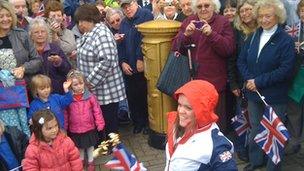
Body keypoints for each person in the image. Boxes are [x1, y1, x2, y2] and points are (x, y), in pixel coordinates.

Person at [237, 0, 295, 170]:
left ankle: (273, 166)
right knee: (255, 127)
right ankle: (256, 161)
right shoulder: (255, 35)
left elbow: (285, 70)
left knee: (274, 131)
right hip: (254, 94)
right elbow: (242, 60)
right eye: (261, 16)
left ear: (277, 17)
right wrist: (249, 80)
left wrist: (258, 82)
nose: (263, 20)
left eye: (268, 16)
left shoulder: (285, 40)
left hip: (275, 95)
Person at [172, 0, 235, 133]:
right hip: (193, 84)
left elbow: (228, 49)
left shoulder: (222, 22)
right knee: (195, 122)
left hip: (215, 84)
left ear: (214, 7)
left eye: (207, 6)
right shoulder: (189, 21)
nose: (203, 9)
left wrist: (211, 34)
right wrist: (186, 35)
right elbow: (176, 47)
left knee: (216, 123)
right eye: (199, 6)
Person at [74, 4, 126, 136]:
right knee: (101, 119)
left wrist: (89, 82)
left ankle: (112, 148)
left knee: (109, 121)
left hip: (106, 90)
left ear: (90, 19)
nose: (80, 24)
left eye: (82, 21)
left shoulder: (101, 33)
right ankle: (105, 145)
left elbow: (107, 61)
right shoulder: (91, 32)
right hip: (98, 89)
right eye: (78, 21)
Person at [165, 80, 237, 170]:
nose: (180, 111)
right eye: (179, 104)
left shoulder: (216, 145)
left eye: (188, 108)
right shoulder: (177, 126)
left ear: (202, 111)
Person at [0, 1, 41, 137]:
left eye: (8, 15)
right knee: (8, 134)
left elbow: (37, 60)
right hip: (2, 97)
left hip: (23, 92)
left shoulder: (21, 35)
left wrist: (24, 68)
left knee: (27, 129)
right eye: (1, 16)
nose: (5, 19)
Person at [227, 0, 257, 162]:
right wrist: (233, 83)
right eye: (242, 11)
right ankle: (240, 148)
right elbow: (231, 59)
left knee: (257, 119)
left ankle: (256, 149)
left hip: (259, 83)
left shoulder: (262, 29)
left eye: (248, 10)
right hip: (241, 82)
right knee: (241, 117)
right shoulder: (236, 31)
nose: (245, 13)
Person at [118, 0, 153, 134]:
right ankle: (138, 123)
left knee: (144, 94)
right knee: (132, 96)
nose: (127, 9)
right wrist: (122, 62)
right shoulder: (123, 23)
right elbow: (120, 44)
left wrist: (140, 58)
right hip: (128, 66)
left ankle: (147, 123)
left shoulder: (146, 15)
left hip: (142, 65)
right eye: (124, 7)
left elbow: (144, 38)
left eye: (129, 6)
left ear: (135, 3)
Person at [64, 69, 105, 171]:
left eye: (81, 83)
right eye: (75, 84)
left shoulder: (90, 97)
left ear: (84, 83)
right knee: (80, 146)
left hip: (89, 127)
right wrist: (64, 127)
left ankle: (91, 161)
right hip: (75, 128)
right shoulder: (68, 98)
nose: (78, 86)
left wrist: (99, 122)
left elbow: (97, 110)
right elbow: (65, 113)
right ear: (70, 86)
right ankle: (81, 160)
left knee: (90, 145)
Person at [29, 17, 71, 94]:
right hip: (36, 94)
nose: (40, 34)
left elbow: (68, 69)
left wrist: (59, 62)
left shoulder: (54, 48)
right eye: (36, 32)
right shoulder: (29, 51)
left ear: (47, 33)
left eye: (43, 31)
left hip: (56, 94)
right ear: (31, 35)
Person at [285, 0, 304, 155]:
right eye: (303, 10)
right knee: (294, 111)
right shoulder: (290, 30)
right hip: (295, 76)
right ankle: (294, 141)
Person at [44, 0, 77, 68]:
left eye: (59, 15)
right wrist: (53, 33)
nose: (56, 18)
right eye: (53, 16)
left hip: (67, 67)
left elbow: (70, 48)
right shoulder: (43, 32)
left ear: (63, 17)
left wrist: (56, 36)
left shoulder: (69, 32)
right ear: (47, 18)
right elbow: (51, 49)